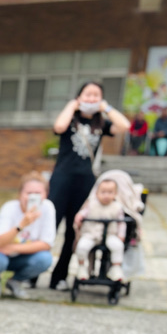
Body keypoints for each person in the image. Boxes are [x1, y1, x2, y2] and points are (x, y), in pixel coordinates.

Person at [45, 81, 131, 290]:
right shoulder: (70, 119)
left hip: (85, 182)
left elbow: (124, 126)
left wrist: (106, 108)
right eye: (87, 94)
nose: (91, 98)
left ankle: (59, 277)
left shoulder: (101, 123)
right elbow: (58, 127)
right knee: (49, 225)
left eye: (96, 95)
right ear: (79, 96)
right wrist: (72, 106)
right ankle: (32, 275)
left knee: (74, 231)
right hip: (62, 178)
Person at [0, 172, 56, 299]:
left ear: (46, 194)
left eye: (38, 193)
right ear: (20, 194)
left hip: (21, 256)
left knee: (45, 259)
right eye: (29, 193)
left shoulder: (48, 207)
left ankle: (15, 281)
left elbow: (46, 244)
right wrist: (22, 225)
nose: (33, 197)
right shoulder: (10, 208)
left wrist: (12, 248)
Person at [73, 177, 126, 281]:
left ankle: (116, 268)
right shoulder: (91, 204)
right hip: (91, 234)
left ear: (115, 194)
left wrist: (121, 235)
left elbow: (121, 223)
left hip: (110, 235)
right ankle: (82, 267)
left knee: (118, 246)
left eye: (110, 192)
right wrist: (79, 216)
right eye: (103, 192)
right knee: (82, 246)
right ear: (96, 193)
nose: (106, 195)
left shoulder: (117, 207)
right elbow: (82, 213)